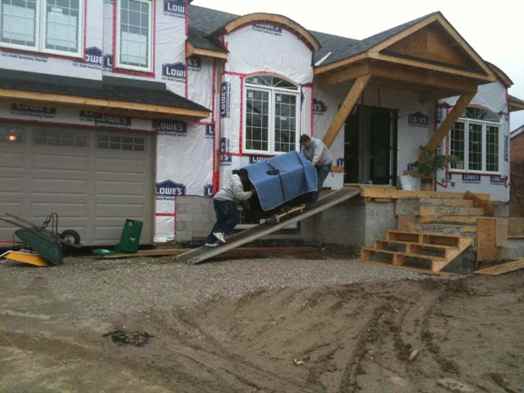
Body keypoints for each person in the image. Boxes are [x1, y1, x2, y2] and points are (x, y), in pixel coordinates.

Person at [205, 170, 254, 247]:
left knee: (221, 221)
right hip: (225, 200)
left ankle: (210, 241)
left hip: (218, 199)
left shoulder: (233, 178)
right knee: (235, 218)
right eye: (247, 178)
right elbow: (240, 196)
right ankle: (220, 231)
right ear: (243, 176)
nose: (247, 180)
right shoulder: (237, 183)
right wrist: (251, 192)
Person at [300, 134, 333, 200]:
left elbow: (317, 156)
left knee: (318, 181)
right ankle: (308, 198)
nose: (304, 146)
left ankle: (313, 200)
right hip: (315, 164)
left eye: (304, 144)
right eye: (302, 145)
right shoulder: (304, 146)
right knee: (311, 180)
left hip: (325, 164)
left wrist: (311, 166)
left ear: (308, 141)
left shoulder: (317, 143)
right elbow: (302, 157)